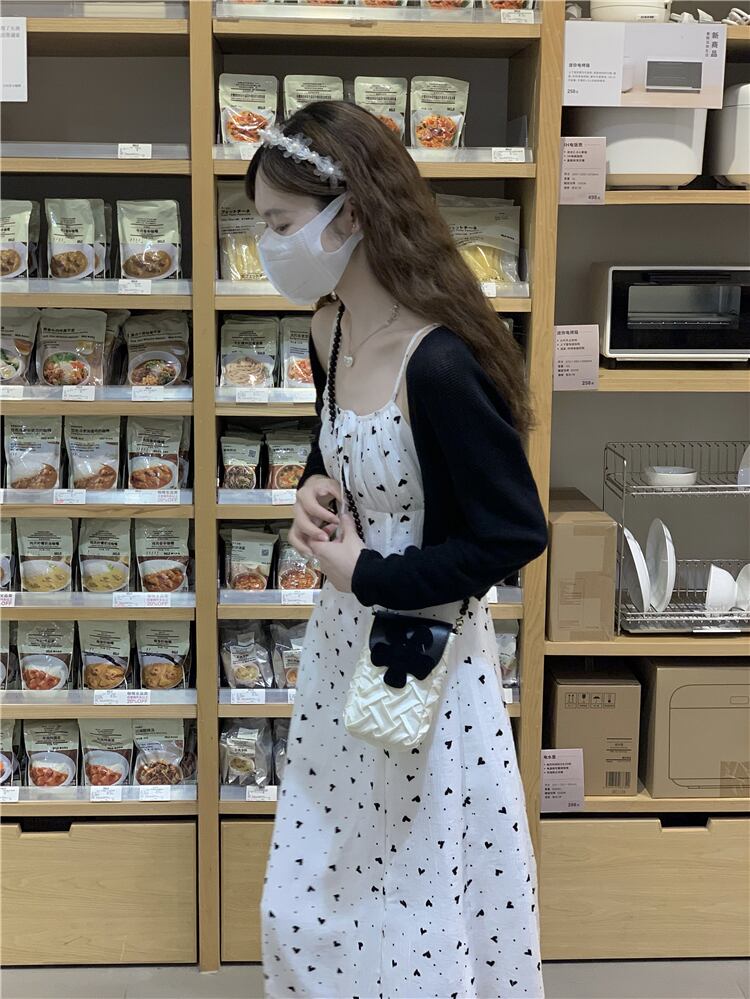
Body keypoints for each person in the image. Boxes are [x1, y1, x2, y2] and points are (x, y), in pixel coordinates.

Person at [247, 100, 548, 999]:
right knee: (324, 872)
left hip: (420, 653)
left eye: (280, 225)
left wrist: (369, 573)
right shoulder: (330, 329)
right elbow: (339, 441)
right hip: (343, 647)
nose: (267, 246)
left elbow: (512, 533)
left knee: (413, 882)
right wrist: (313, 484)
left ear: (351, 216)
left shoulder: (439, 362)